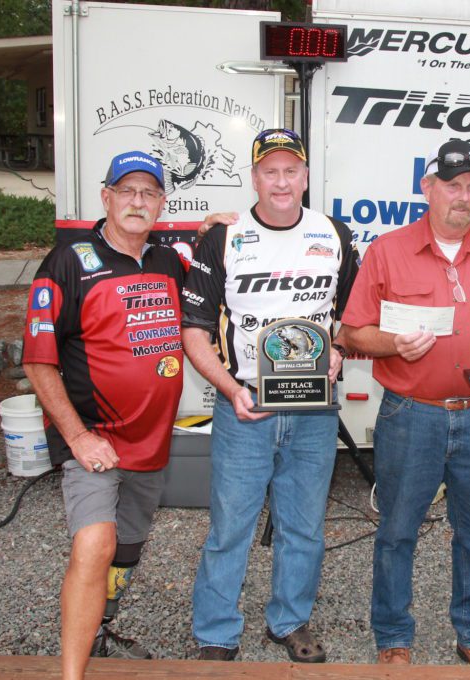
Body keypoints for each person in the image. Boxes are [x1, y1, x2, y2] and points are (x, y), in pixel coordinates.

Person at [339, 139, 470, 665]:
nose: (463, 197)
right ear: (427, 188)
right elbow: (353, 332)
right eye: (452, 186)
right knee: (398, 531)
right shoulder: (388, 250)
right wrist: (392, 343)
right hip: (409, 413)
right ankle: (394, 637)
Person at [181, 128, 359, 663]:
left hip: (313, 406)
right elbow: (193, 331)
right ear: (254, 177)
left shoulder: (334, 233)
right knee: (230, 526)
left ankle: (289, 621)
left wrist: (340, 352)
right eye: (270, 171)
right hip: (247, 404)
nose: (281, 181)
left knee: (303, 526)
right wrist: (230, 390)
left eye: (291, 171)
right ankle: (216, 632)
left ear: (305, 176)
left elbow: (352, 317)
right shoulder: (222, 239)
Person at [22, 151, 186, 679]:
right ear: (106, 197)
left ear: (161, 203)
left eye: (149, 193)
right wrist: (76, 436)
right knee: (96, 544)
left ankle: (101, 627)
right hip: (95, 440)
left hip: (152, 444)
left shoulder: (169, 261)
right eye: (127, 191)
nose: (138, 202)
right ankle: (73, 674)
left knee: (126, 552)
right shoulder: (68, 262)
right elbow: (37, 359)